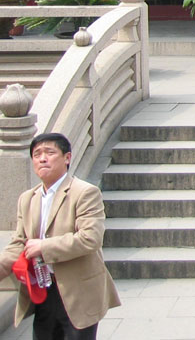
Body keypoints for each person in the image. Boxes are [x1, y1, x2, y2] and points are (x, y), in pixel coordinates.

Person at [0, 132, 120, 339]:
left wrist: (43, 247)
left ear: (67, 158)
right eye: (37, 154)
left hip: (78, 290)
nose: (42, 159)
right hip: (42, 289)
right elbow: (19, 242)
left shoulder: (84, 192)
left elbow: (90, 238)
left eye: (49, 152)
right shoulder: (27, 198)